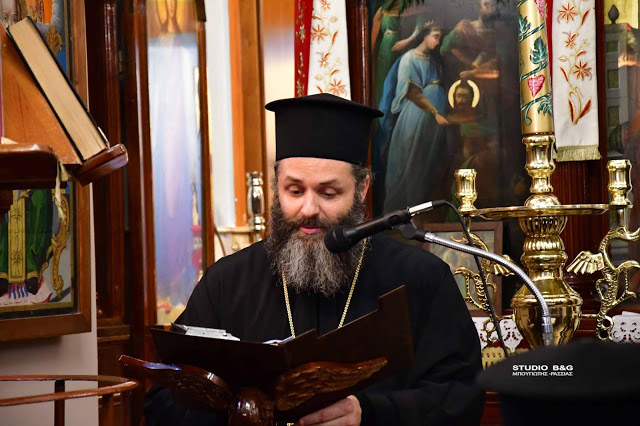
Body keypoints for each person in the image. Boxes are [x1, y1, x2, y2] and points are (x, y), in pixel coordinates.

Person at [145, 93, 484, 425]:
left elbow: (461, 398)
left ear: (362, 189)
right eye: (294, 190)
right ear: (277, 185)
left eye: (328, 193)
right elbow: (163, 399)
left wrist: (369, 414)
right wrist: (240, 412)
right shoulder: (226, 283)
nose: (308, 209)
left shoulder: (421, 279)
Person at [383, 23, 449, 213]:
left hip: (431, 119)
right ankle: (405, 212)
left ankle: (423, 209)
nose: (438, 41)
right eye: (435, 36)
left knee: (428, 161)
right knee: (412, 160)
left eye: (440, 37)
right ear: (424, 36)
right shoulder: (409, 58)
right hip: (417, 114)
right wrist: (435, 113)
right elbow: (412, 91)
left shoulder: (433, 60)